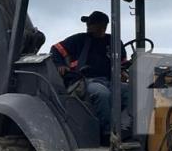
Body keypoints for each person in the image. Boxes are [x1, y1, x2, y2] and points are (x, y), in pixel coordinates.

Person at [50, 11, 130, 141]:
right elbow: (56, 49)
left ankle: (127, 128)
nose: (88, 25)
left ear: (103, 25)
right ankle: (108, 134)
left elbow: (122, 63)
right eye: (88, 23)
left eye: (91, 23)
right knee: (102, 93)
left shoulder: (115, 42)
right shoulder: (79, 39)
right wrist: (60, 64)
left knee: (130, 92)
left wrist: (124, 71)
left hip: (111, 81)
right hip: (86, 81)